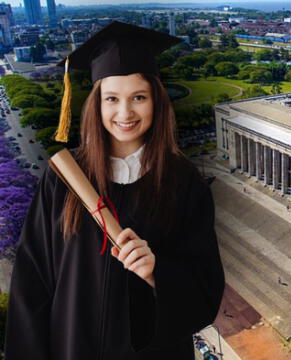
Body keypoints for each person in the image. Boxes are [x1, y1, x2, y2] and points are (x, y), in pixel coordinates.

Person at [4, 21, 225, 360]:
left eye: (139, 97)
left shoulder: (184, 183)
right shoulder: (63, 179)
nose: (125, 113)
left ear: (157, 102)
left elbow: (205, 291)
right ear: (97, 104)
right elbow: (32, 285)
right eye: (112, 99)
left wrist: (157, 273)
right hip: (72, 347)